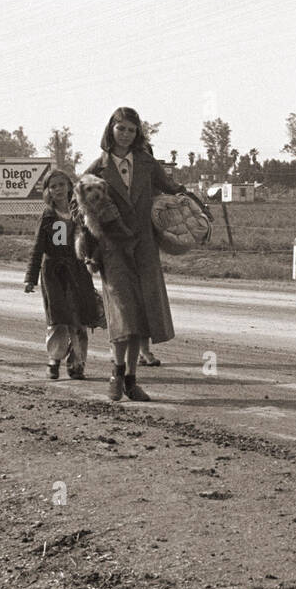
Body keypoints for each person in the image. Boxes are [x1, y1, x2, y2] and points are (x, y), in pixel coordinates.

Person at [84, 106, 197, 401]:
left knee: (142, 316)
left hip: (145, 249)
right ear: (110, 130)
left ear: (138, 134)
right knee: (124, 316)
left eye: (131, 130)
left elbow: (172, 188)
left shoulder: (147, 163)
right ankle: (116, 374)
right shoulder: (96, 169)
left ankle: (132, 380)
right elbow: (78, 204)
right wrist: (89, 241)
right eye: (120, 128)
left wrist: (193, 203)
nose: (125, 135)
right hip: (113, 250)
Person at [24, 168, 102, 380]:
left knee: (80, 318)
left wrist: (95, 260)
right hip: (54, 274)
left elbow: (92, 239)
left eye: (62, 184)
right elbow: (37, 248)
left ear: (70, 186)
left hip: (78, 271)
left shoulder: (80, 211)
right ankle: (54, 359)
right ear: (48, 190)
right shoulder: (48, 216)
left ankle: (78, 362)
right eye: (53, 186)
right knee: (58, 319)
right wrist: (30, 278)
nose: (58, 189)